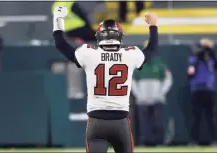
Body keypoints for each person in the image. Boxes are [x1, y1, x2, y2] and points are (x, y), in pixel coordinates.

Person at [52, 6, 158, 153]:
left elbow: (61, 44)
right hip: (121, 122)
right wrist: (153, 26)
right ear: (119, 36)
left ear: (100, 36)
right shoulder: (130, 55)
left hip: (96, 121)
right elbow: (152, 49)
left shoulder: (89, 53)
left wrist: (58, 19)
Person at [187, 38, 217, 146]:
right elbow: (190, 73)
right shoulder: (194, 59)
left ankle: (213, 140)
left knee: (211, 117)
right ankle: (194, 141)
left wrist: (211, 53)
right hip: (197, 90)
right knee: (196, 117)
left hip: (209, 90)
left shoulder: (211, 59)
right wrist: (202, 51)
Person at [132, 56, 173, 146]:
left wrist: (161, 93)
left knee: (158, 122)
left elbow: (168, 79)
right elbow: (133, 82)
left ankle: (159, 142)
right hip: (142, 100)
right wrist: (139, 95)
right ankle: (144, 143)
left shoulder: (160, 64)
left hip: (157, 99)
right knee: (144, 123)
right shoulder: (138, 66)